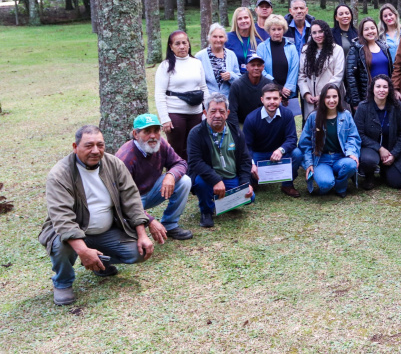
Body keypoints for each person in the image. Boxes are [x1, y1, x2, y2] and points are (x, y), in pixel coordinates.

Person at [40, 125, 156, 306]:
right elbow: (63, 218)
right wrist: (83, 250)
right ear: (74, 146)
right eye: (88, 145)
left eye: (100, 145)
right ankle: (63, 282)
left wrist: (142, 234)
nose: (95, 151)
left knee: (139, 253)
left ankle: (99, 262)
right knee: (61, 246)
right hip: (71, 231)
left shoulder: (114, 164)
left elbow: (131, 199)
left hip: (105, 231)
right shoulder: (60, 174)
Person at [115, 114, 194, 243]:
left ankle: (170, 225)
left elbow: (181, 163)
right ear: (135, 134)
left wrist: (171, 175)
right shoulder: (125, 158)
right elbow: (121, 199)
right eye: (147, 132)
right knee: (132, 243)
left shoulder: (161, 143)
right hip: (131, 201)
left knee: (184, 181)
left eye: (156, 131)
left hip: (152, 191)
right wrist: (150, 220)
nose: (153, 136)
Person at [187, 94, 254, 227]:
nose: (217, 115)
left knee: (249, 197)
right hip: (208, 178)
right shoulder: (196, 133)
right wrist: (216, 180)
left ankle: (222, 204)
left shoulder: (236, 132)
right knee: (201, 183)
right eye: (213, 111)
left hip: (230, 177)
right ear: (205, 113)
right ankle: (206, 211)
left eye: (221, 111)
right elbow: (195, 162)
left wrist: (246, 182)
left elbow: (245, 160)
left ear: (227, 113)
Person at [154, 30, 209, 161]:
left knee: (194, 148)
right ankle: (176, 175)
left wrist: (208, 109)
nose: (182, 46)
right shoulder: (165, 66)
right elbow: (159, 93)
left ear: (189, 44)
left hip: (196, 112)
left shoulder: (196, 63)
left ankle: (192, 177)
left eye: (184, 43)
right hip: (175, 113)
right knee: (177, 149)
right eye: (177, 44)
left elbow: (203, 87)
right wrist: (164, 119)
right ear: (171, 47)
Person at [299, 83, 361, 197]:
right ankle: (328, 180)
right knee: (325, 184)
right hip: (321, 159)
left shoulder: (346, 115)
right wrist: (309, 163)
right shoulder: (313, 117)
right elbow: (304, 143)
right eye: (328, 97)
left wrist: (352, 153)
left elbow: (353, 137)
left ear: (339, 97)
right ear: (322, 98)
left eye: (334, 96)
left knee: (351, 164)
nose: (331, 100)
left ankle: (340, 187)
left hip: (340, 157)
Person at [243, 83, 303, 198]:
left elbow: (292, 139)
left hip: (279, 153)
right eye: (268, 98)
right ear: (262, 100)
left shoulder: (287, 114)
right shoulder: (251, 118)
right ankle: (254, 183)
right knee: (246, 161)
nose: (272, 102)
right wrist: (251, 164)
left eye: (275, 98)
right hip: (258, 154)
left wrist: (281, 150)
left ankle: (287, 185)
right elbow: (246, 146)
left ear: (280, 99)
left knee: (297, 154)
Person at [355, 75, 401, 189]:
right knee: (368, 160)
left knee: (398, 183)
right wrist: (379, 148)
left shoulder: (396, 106)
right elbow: (359, 134)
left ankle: (385, 170)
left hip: (391, 149)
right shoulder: (363, 107)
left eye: (385, 87)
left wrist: (394, 154)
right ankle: (369, 175)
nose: (381, 90)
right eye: (378, 86)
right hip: (370, 149)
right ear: (372, 89)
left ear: (389, 90)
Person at [298, 19, 346, 120]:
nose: (317, 35)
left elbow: (338, 76)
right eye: (314, 33)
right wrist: (306, 93)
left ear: (326, 32)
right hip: (311, 100)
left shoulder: (337, 50)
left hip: (330, 97)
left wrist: (324, 95)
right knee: (313, 128)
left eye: (320, 31)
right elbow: (301, 75)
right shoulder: (305, 50)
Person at [346, 17, 394, 107]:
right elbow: (351, 77)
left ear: (376, 29)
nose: (370, 31)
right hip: (367, 96)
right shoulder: (356, 49)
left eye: (372, 28)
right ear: (361, 32)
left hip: (385, 94)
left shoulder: (384, 47)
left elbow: (390, 71)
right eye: (366, 29)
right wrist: (356, 102)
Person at [255, 14, 300, 106]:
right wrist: (277, 87)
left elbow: (294, 69)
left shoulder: (291, 47)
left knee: (287, 118)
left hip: (288, 94)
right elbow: (261, 70)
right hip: (269, 91)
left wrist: (287, 89)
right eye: (273, 29)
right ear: (268, 31)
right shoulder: (262, 47)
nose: (277, 32)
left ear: (283, 30)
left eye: (279, 29)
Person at [196, 23, 241, 96]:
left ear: (225, 38)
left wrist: (231, 76)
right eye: (215, 37)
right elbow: (197, 82)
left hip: (227, 99)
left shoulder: (231, 55)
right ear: (209, 38)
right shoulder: (200, 56)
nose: (218, 40)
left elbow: (238, 79)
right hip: (208, 99)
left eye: (221, 37)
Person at [227, 54, 272, 128]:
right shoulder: (237, 85)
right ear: (247, 67)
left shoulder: (269, 84)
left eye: (259, 65)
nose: (256, 68)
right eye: (253, 65)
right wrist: (236, 131)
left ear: (263, 67)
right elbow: (232, 111)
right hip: (242, 123)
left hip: (264, 123)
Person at [226, 6, 259, 73]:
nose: (243, 21)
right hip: (233, 79)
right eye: (240, 19)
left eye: (246, 18)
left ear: (250, 19)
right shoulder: (227, 38)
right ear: (236, 22)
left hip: (253, 79)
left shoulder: (258, 42)